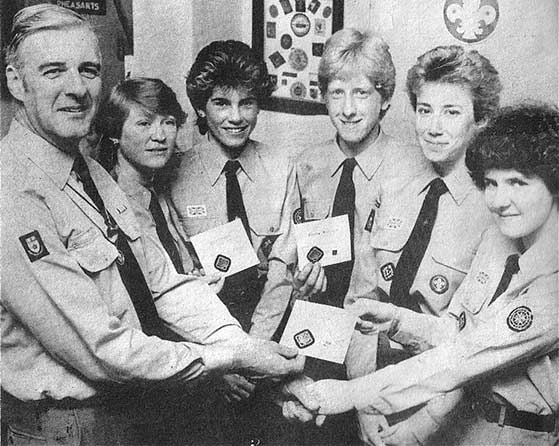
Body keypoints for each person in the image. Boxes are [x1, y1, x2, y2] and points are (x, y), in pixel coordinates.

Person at [0, 6, 304, 445]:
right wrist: (226, 357)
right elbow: (101, 350)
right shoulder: (13, 193)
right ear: (15, 81)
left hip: (129, 416)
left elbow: (161, 281)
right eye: (53, 71)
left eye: (88, 70)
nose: (77, 88)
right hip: (67, 428)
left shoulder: (88, 171)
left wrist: (247, 349)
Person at [302, 102, 559, 446]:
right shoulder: (500, 241)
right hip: (464, 424)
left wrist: (351, 394)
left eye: (517, 182)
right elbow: (457, 329)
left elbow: (466, 357)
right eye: (491, 183)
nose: (498, 200)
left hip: (519, 434)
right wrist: (395, 320)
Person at [273, 28, 431, 445]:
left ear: (386, 99)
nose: (348, 109)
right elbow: (288, 260)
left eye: (361, 93)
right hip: (316, 343)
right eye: (336, 93)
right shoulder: (308, 165)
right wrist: (299, 284)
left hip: (379, 353)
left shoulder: (413, 168)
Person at [167, 39, 324, 445]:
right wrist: (223, 362)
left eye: (247, 103)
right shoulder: (172, 174)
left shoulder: (280, 166)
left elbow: (282, 270)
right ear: (201, 107)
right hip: (204, 363)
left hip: (266, 352)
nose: (236, 118)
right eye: (221, 103)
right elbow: (170, 284)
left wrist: (254, 354)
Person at [348, 45, 502, 445]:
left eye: (452, 112)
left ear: (480, 119)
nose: (433, 127)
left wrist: (422, 428)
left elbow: (476, 346)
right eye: (424, 109)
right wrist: (364, 401)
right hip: (372, 390)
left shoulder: (497, 210)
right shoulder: (392, 186)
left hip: (443, 407)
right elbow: (361, 300)